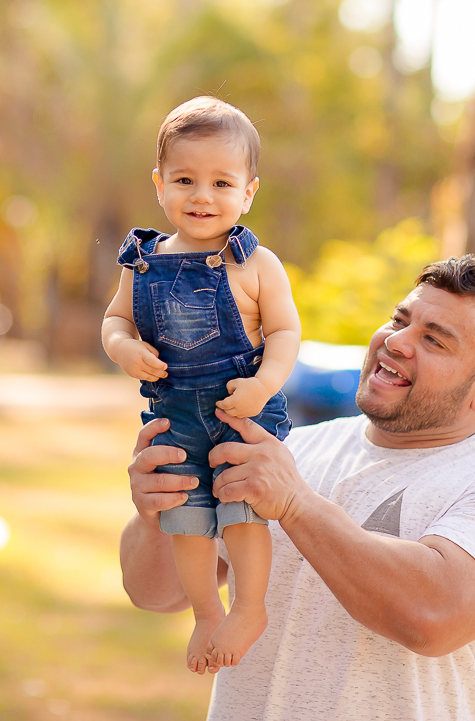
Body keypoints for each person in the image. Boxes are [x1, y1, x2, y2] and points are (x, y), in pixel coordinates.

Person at [120, 255, 475, 721]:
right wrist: (157, 512)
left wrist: (295, 505)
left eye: (433, 340)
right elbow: (156, 593)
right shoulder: (289, 451)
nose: (396, 342)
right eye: (399, 320)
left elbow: (432, 617)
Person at [102, 96, 301, 674]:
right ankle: (205, 612)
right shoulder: (142, 260)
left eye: (221, 182)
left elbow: (286, 332)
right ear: (159, 184)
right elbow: (116, 319)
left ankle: (250, 606)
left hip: (240, 405)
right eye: (185, 179)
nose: (202, 196)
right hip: (174, 412)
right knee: (185, 516)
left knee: (241, 506)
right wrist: (124, 347)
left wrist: (263, 386)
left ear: (249, 192)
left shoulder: (256, 262)